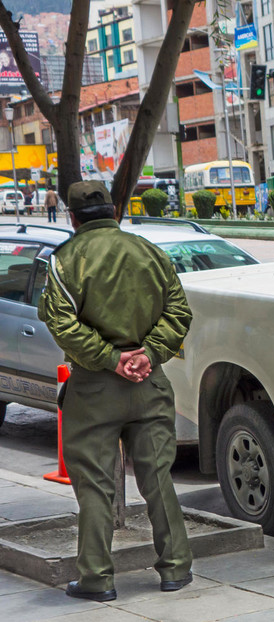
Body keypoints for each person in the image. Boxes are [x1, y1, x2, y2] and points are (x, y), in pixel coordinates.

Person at [37, 181, 194, 602]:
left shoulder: (65, 261)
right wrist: (147, 354)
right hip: (150, 383)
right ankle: (176, 568)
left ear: (72, 217)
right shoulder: (150, 252)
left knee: (94, 487)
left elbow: (63, 325)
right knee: (158, 477)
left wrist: (111, 359)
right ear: (115, 210)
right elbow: (180, 311)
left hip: (94, 390)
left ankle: (97, 580)